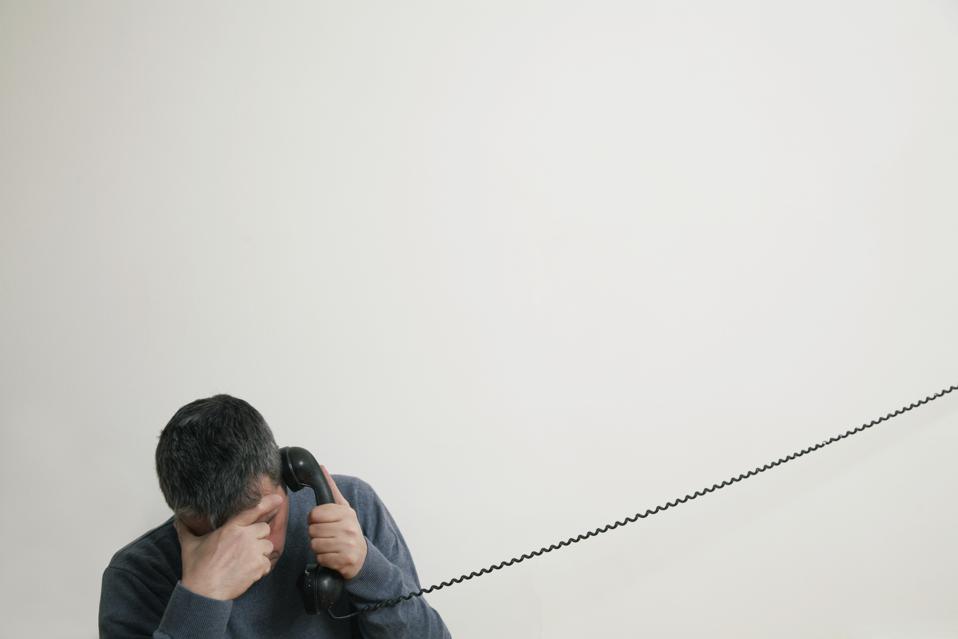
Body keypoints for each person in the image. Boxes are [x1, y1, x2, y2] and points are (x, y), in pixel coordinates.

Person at [99, 394, 452, 638]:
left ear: (287, 477)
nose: (247, 550)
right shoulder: (135, 576)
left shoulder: (351, 506)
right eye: (213, 539)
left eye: (264, 522)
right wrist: (201, 597)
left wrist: (367, 568)